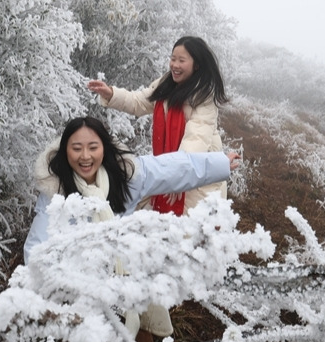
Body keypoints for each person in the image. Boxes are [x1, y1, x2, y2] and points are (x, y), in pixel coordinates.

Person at [23, 116, 240, 342]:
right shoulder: (55, 191)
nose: (85, 157)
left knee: (139, 328)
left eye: (93, 147)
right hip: (85, 283)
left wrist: (219, 164)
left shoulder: (125, 174)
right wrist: (36, 293)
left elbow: (173, 168)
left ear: (104, 149)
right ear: (66, 152)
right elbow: (38, 248)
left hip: (126, 272)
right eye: (76, 149)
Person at [87, 35, 229, 216]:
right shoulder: (166, 85)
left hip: (197, 180)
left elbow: (196, 140)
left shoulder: (203, 96)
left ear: (197, 65)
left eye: (181, 60)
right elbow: (139, 102)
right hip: (173, 169)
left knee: (189, 234)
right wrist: (111, 94)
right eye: (173, 59)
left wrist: (178, 178)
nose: (175, 65)